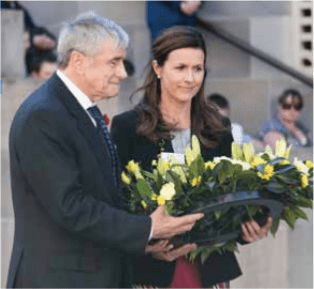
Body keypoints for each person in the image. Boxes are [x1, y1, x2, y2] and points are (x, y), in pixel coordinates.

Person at [6, 12, 204, 288]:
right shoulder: (43, 115)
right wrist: (147, 228)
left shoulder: (81, 109)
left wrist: (145, 243)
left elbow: (104, 196)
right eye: (114, 62)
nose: (123, 73)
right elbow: (70, 207)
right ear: (78, 61)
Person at [111, 26, 273, 288]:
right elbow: (114, 204)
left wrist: (251, 227)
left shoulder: (218, 128)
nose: (190, 78)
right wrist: (146, 245)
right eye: (181, 67)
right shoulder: (128, 127)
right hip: (152, 271)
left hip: (210, 270)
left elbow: (233, 200)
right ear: (158, 68)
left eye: (197, 69)